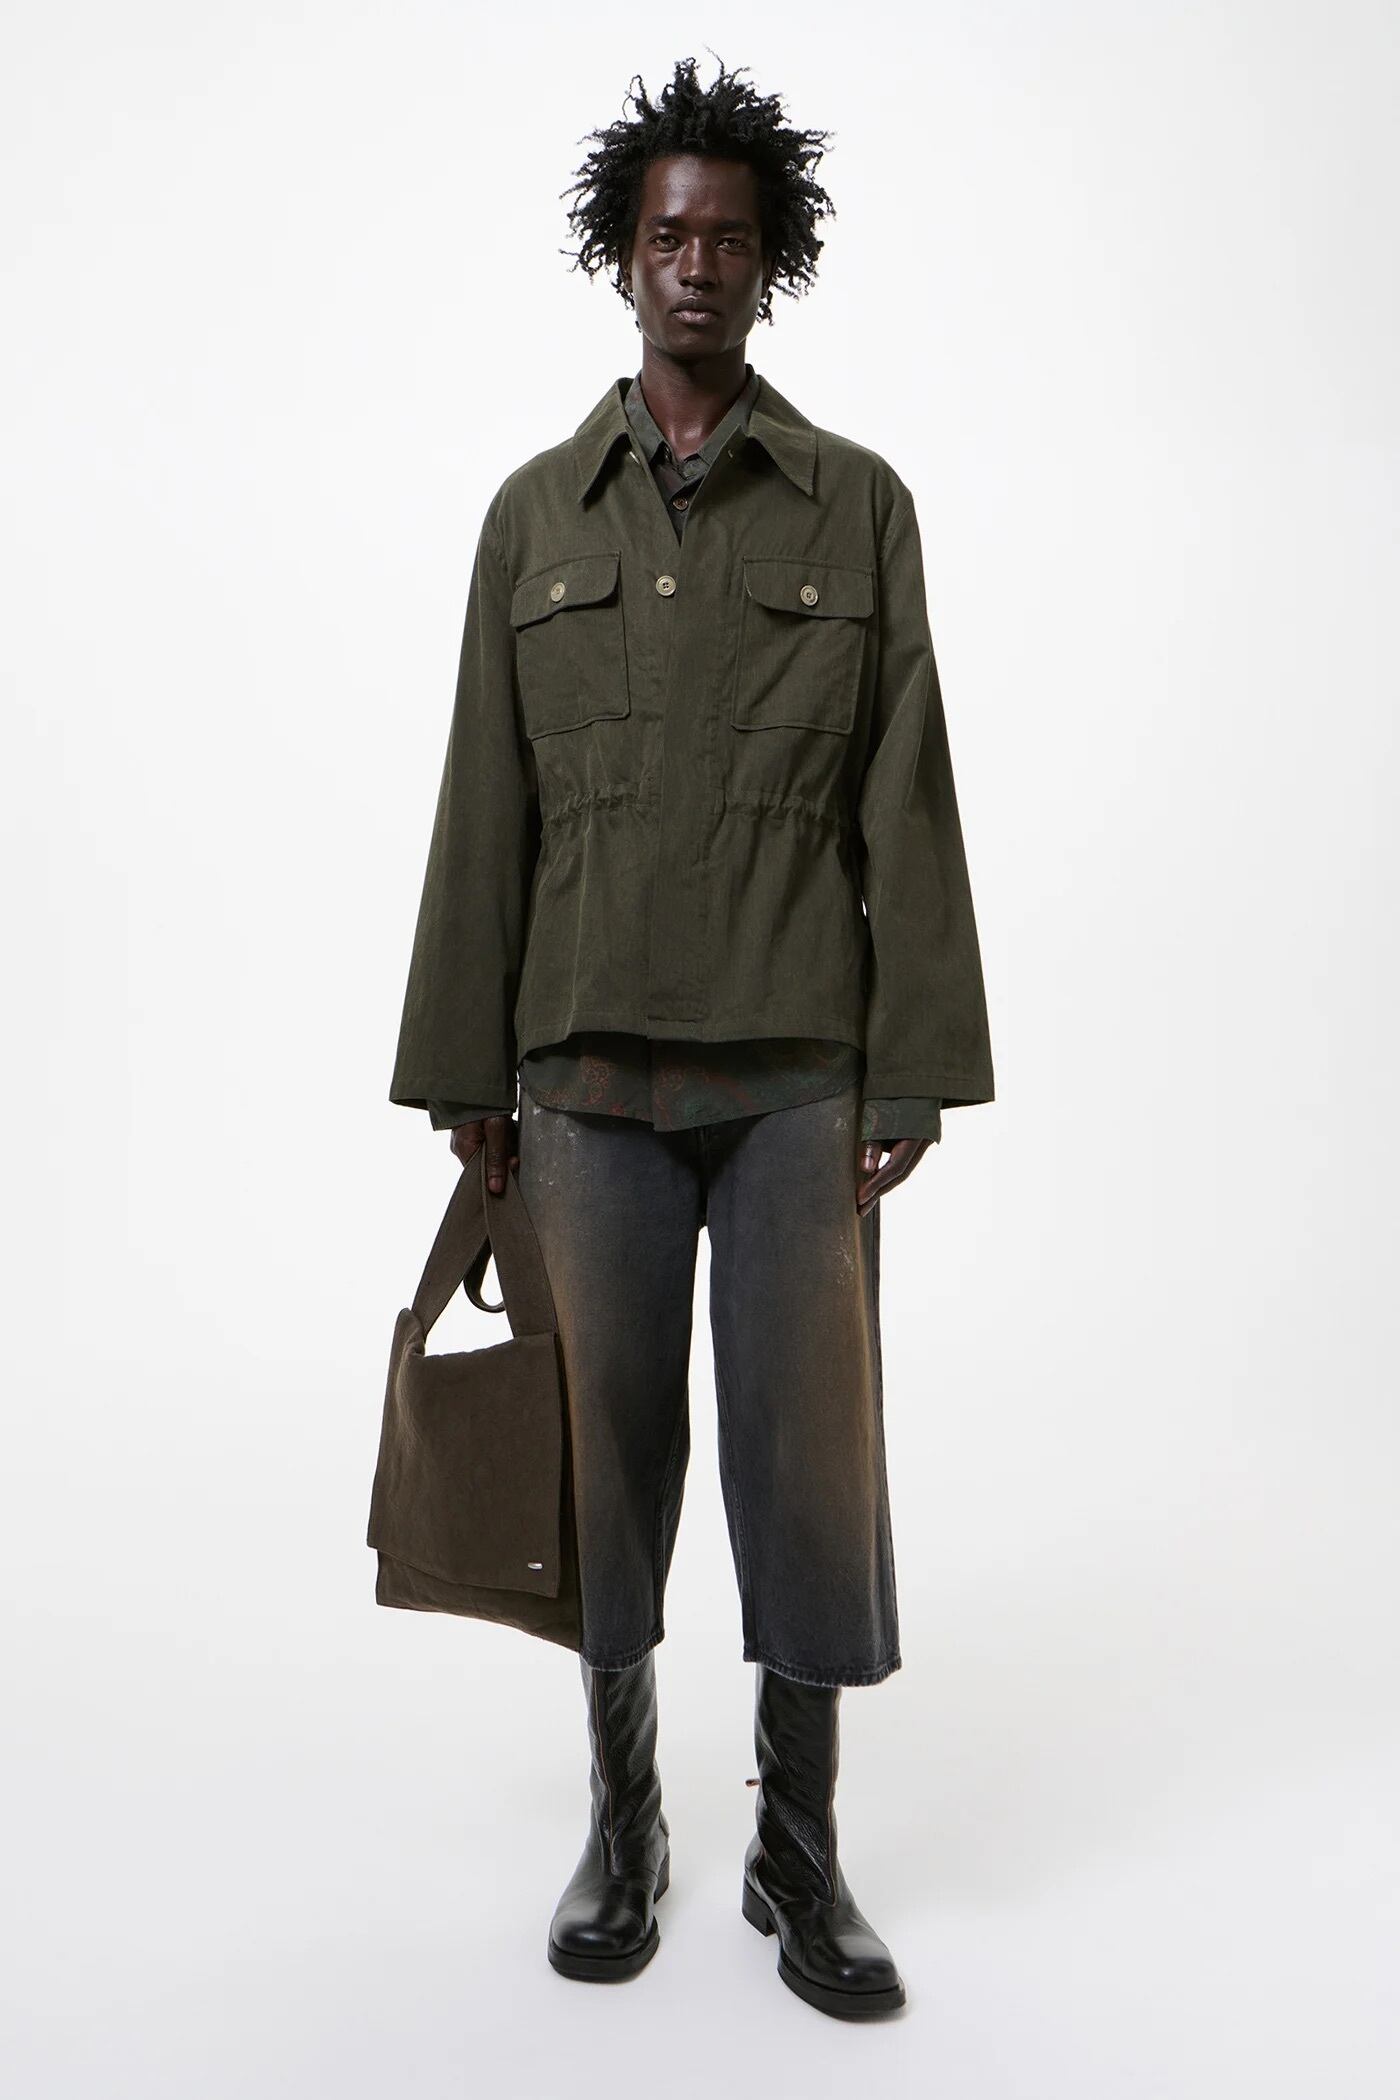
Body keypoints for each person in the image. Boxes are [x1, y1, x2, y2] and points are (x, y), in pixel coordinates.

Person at [388, 54, 994, 2021]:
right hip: (581, 1081)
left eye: (730, 238)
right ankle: (626, 1823)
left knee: (810, 1472)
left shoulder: (858, 506)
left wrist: (915, 1064)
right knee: (604, 1465)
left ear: (769, 261)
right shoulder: (529, 518)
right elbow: (483, 803)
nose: (697, 264)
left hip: (801, 1075)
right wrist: (464, 1072)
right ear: (621, 255)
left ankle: (798, 1852)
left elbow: (905, 796)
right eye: (668, 235)